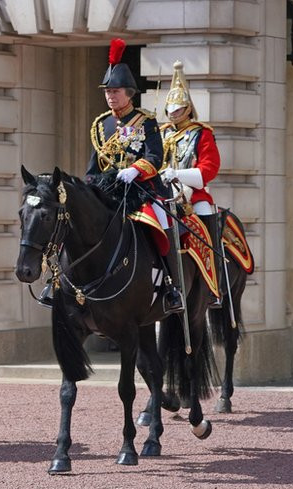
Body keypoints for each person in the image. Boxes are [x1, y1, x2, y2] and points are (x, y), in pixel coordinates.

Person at [84, 38, 183, 314]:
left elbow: (155, 157)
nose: (110, 96)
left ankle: (171, 286)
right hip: (109, 190)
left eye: (115, 91)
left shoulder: (146, 121)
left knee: (162, 222)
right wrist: (88, 188)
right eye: (107, 91)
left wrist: (135, 170)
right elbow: (95, 165)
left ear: (129, 93)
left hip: (141, 190)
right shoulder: (101, 124)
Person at [159, 61, 223, 308]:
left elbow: (209, 169)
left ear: (187, 109)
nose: (173, 113)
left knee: (206, 219)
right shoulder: (162, 133)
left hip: (193, 196)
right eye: (171, 108)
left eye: (178, 109)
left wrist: (179, 174)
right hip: (163, 193)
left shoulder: (201, 133)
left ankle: (213, 285)